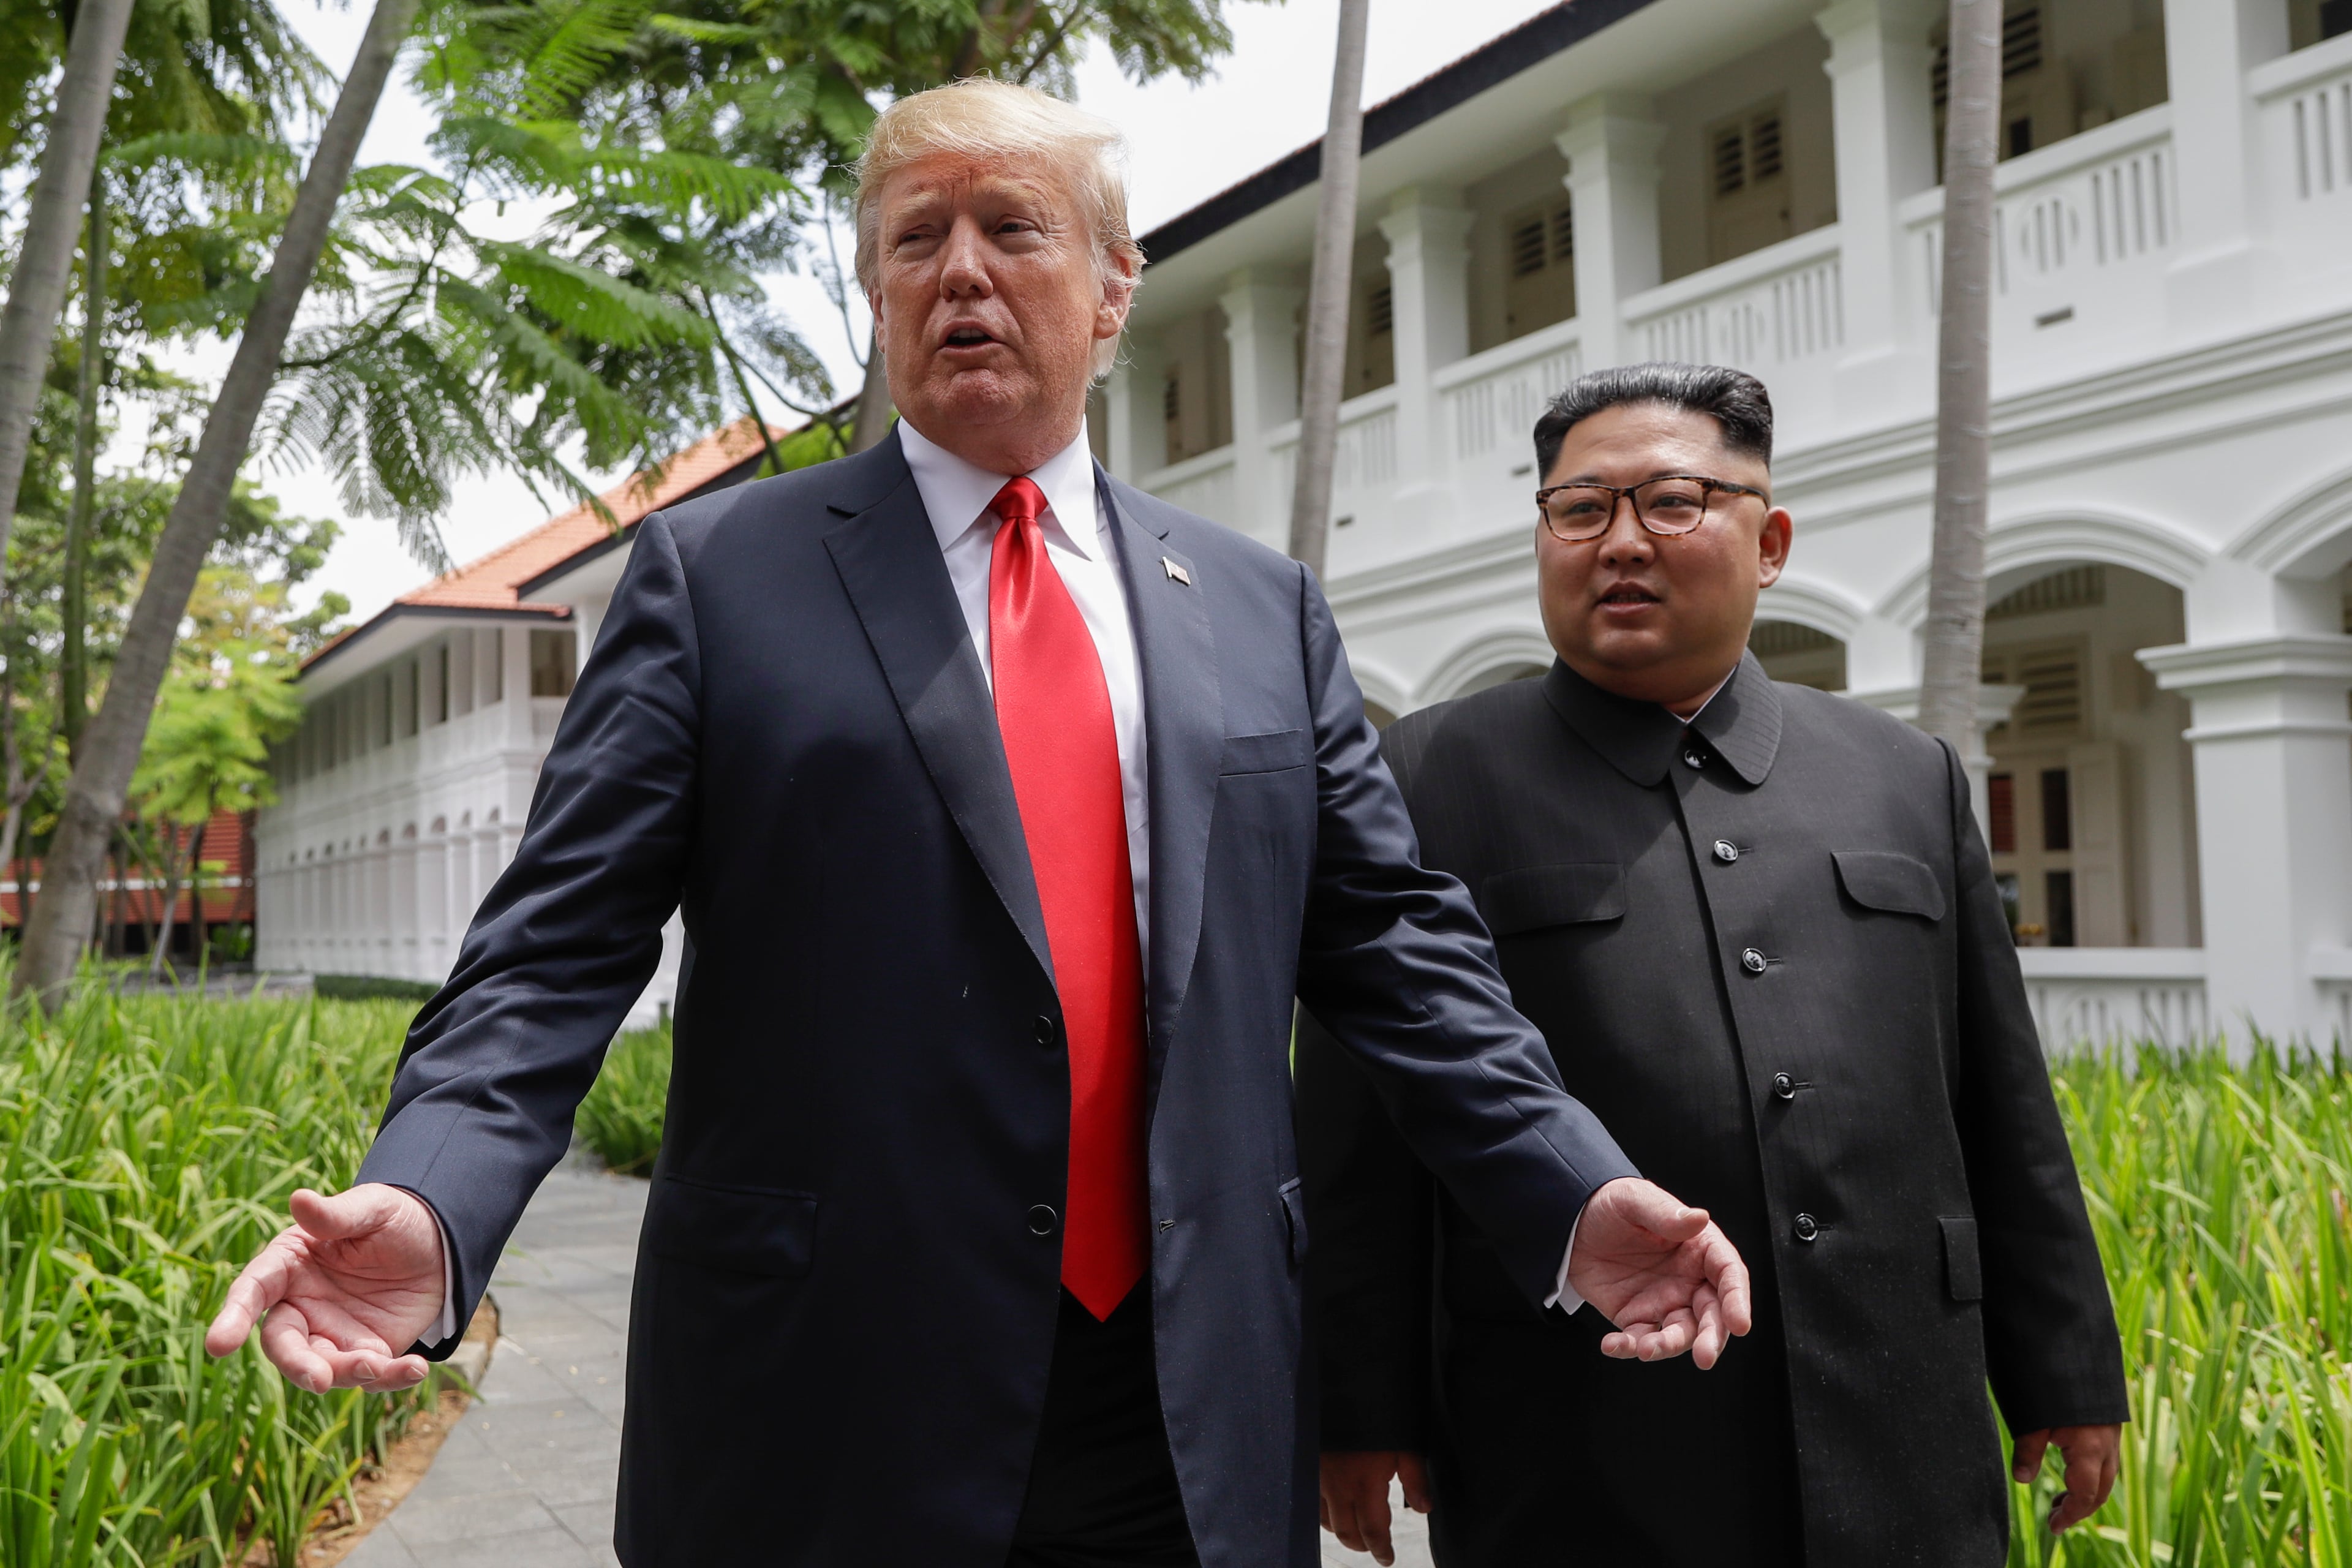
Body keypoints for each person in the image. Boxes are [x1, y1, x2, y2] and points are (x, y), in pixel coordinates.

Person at [203, 86, 1755, 1567]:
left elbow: (1399, 948)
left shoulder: (1257, 608)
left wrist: (1569, 1180)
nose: (960, 274)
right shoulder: (715, 581)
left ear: (1110, 284)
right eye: (912, 240)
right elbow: (551, 956)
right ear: (875, 294)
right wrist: (429, 1193)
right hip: (827, 1397)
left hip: (1186, 1398)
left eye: (1013, 227)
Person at [1300, 363, 2129, 1568]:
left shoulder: (1901, 772)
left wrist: (2063, 1361)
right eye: (1580, 509)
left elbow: (2002, 1099)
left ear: (1771, 537)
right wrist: (1359, 1403)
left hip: (1900, 1404)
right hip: (1578, 1418)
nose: (1620, 542)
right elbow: (1358, 1123)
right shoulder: (1430, 774)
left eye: (1671, 502)